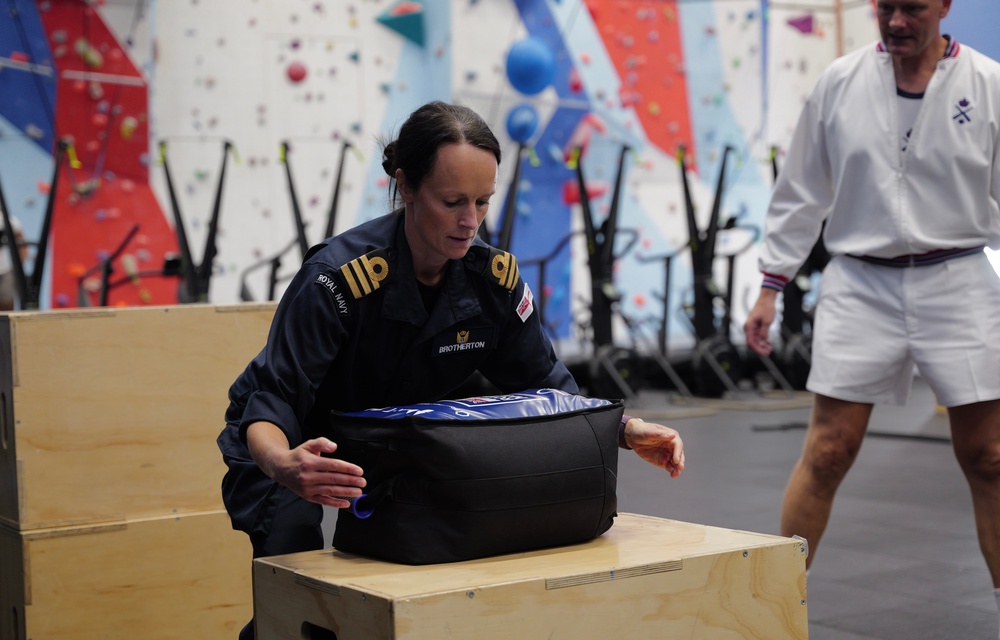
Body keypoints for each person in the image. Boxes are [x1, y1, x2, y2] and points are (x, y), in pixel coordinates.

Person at [218, 101, 686, 639]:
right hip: (291, 441)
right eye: (452, 202)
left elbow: (548, 388)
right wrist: (284, 466)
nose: (471, 222)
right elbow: (272, 399)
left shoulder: (493, 281)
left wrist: (626, 431)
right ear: (406, 186)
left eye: (483, 202)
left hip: (393, 442)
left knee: (422, 578)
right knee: (298, 589)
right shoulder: (336, 281)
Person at [744, 0, 1000, 633]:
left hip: (960, 275)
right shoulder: (839, 82)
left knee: (991, 455)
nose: (895, 22)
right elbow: (801, 189)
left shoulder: (989, 86)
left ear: (943, 6)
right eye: (885, 7)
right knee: (828, 450)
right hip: (861, 282)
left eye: (911, 8)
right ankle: (774, 612)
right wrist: (770, 286)